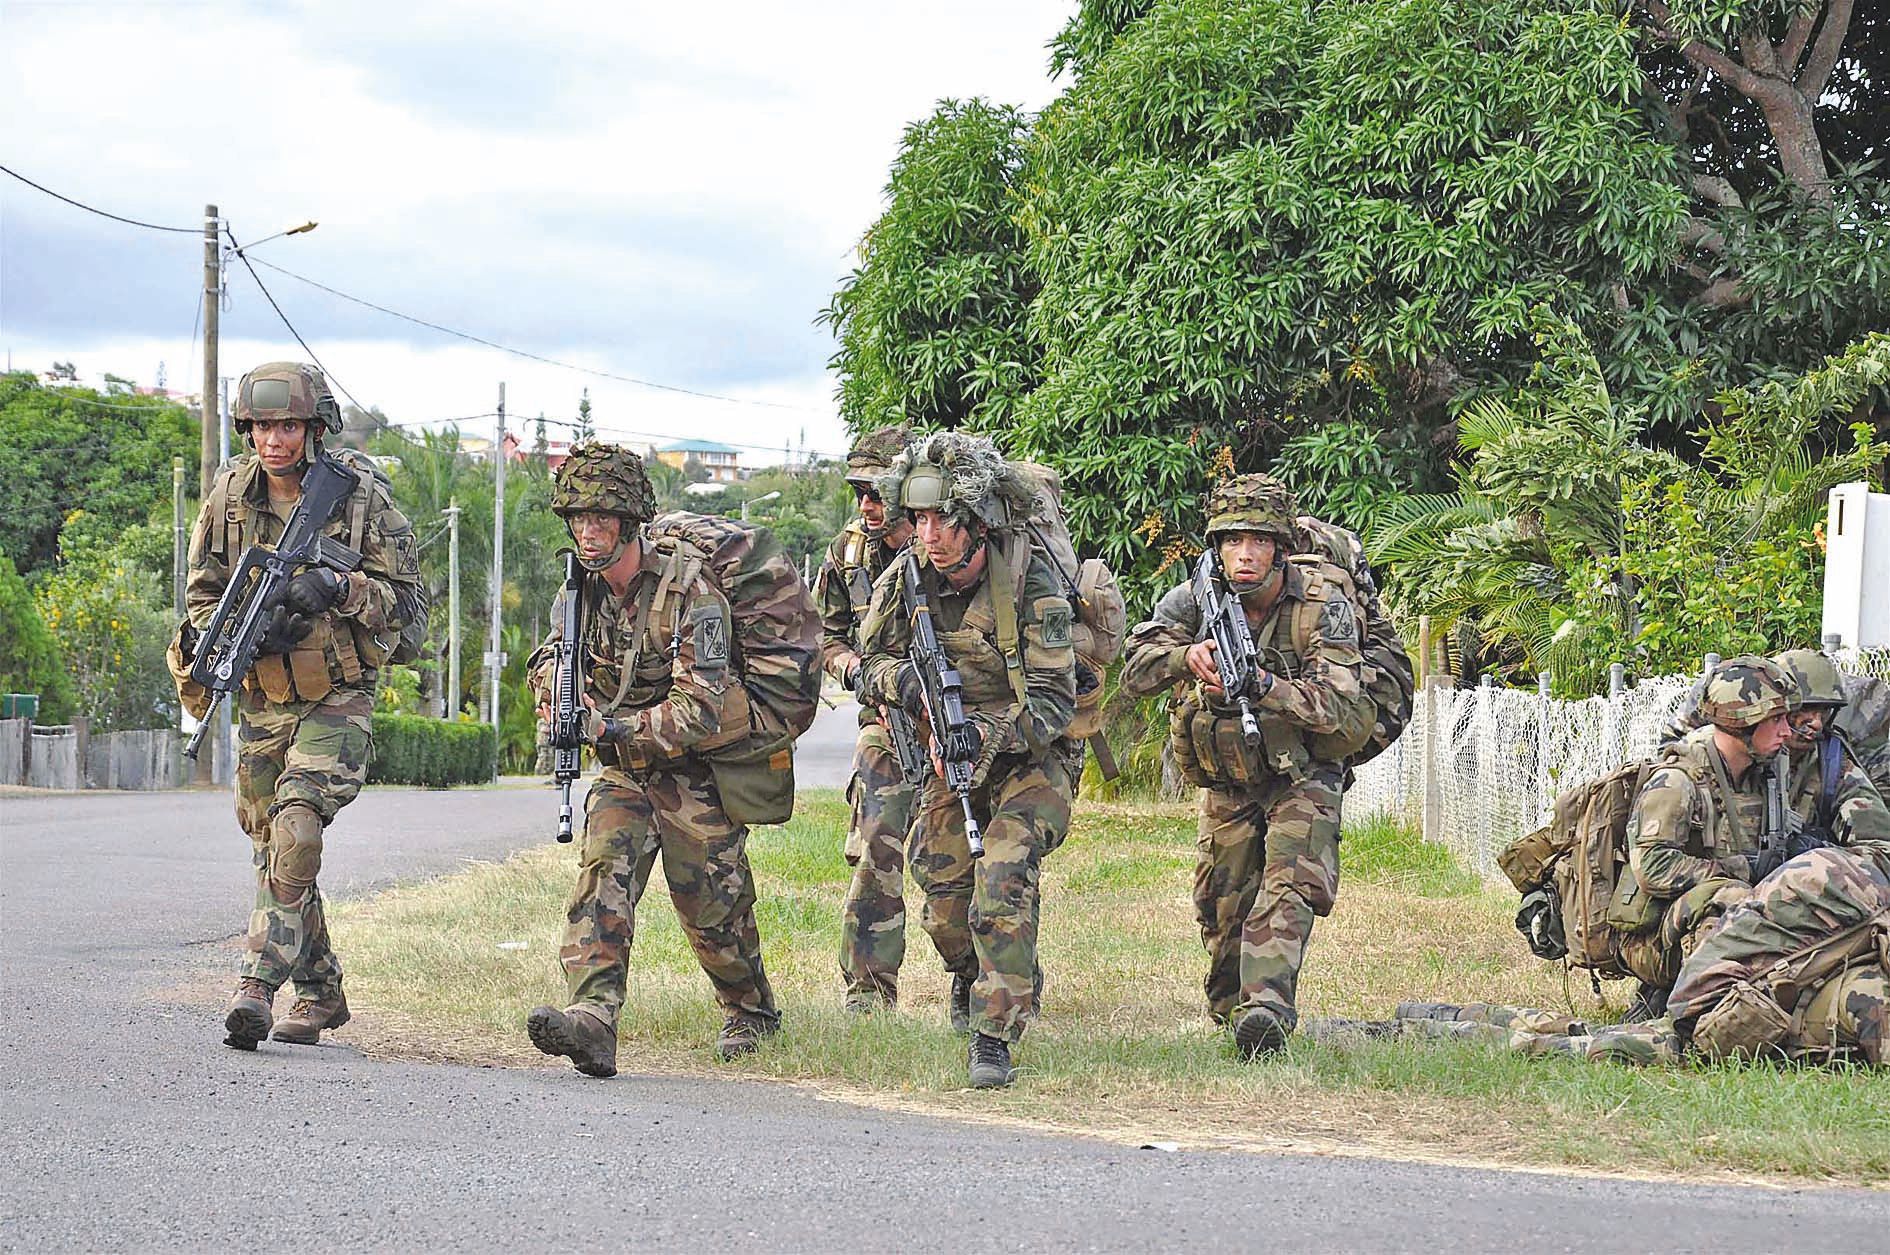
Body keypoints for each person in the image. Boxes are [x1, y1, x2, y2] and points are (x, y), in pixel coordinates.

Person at [523, 442, 820, 1078]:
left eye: (601, 517)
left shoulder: (689, 589)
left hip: (697, 765)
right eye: (577, 518)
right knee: (604, 869)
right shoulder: (579, 589)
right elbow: (548, 656)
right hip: (628, 765)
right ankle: (593, 1018)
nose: (588, 530)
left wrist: (610, 725)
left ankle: (750, 1009)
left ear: (630, 521)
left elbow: (702, 710)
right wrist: (555, 693)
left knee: (711, 902)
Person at [172, 362, 422, 1050]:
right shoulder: (229, 496)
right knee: (274, 845)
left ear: (314, 429)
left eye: (287, 425)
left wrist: (337, 587)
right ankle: (319, 992)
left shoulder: (360, 499)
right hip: (264, 695)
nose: (272, 440)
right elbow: (200, 594)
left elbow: (408, 606)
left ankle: (256, 983)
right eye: (260, 426)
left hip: (339, 693)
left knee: (299, 824)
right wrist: (240, 630)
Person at [1121, 474, 1373, 1058]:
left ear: (1281, 548)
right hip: (1230, 774)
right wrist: (1187, 657)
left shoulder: (1320, 604)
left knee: (1289, 884)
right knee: (1223, 903)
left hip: (1304, 770)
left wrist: (1264, 685)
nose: (1245, 554)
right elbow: (1133, 667)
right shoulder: (1195, 598)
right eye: (1233, 540)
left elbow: (1337, 702)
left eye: (1259, 541)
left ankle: (1268, 1010)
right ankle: (1233, 1009)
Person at [856, 432, 1076, 1088]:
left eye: (942, 520)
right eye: (919, 519)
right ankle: (975, 972)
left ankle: (994, 1035)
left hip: (1031, 756)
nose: (929, 534)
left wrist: (982, 733)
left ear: (976, 522)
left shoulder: (1031, 580)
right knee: (945, 902)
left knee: (1003, 876)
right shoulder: (906, 580)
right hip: (945, 754)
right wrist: (914, 692)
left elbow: (1054, 702)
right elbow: (869, 664)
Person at [1616, 655, 1890, 1005]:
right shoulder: (1683, 776)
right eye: (1796, 715)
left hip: (1763, 907)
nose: (1812, 725)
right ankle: (1696, 1013)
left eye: (1824, 713)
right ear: (1750, 719)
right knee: (1727, 911)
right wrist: (1739, 881)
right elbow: (1652, 866)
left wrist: (1819, 875)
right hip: (1677, 924)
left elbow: (1878, 845)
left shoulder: (1798, 766)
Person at [816, 425, 930, 1013]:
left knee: (965, 856)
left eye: (878, 490)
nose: (867, 504)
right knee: (878, 842)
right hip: (886, 720)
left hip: (963, 720)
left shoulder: (948, 541)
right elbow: (825, 638)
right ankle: (868, 987)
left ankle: (991, 983)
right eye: (859, 490)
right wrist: (854, 668)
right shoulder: (849, 553)